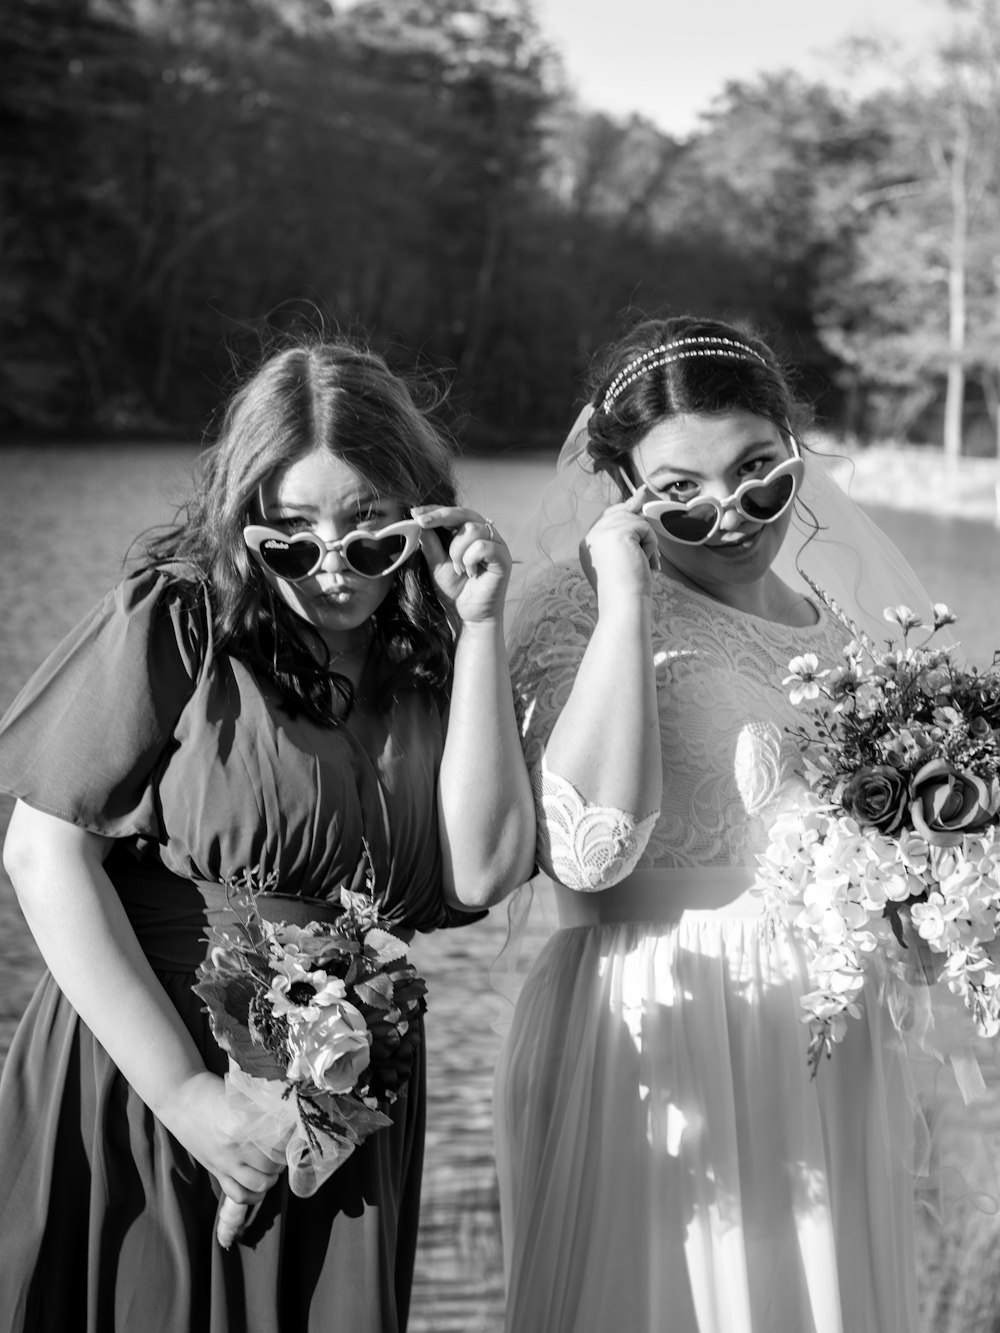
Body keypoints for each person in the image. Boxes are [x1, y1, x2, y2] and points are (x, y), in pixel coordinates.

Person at [0, 337, 534, 1333]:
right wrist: (193, 1102)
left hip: (340, 1104)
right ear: (246, 525)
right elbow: (42, 854)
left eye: (370, 532)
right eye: (290, 535)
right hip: (154, 1065)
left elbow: (485, 869)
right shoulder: (182, 623)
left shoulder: (439, 665)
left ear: (423, 513)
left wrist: (486, 624)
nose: (331, 569)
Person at [492, 315, 949, 1333]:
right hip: (659, 1024)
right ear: (623, 491)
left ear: (793, 446)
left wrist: (929, 907)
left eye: (758, 471)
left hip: (826, 1044)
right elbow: (587, 852)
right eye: (679, 494)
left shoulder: (830, 620)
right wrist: (622, 594)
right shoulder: (572, 610)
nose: (732, 513)